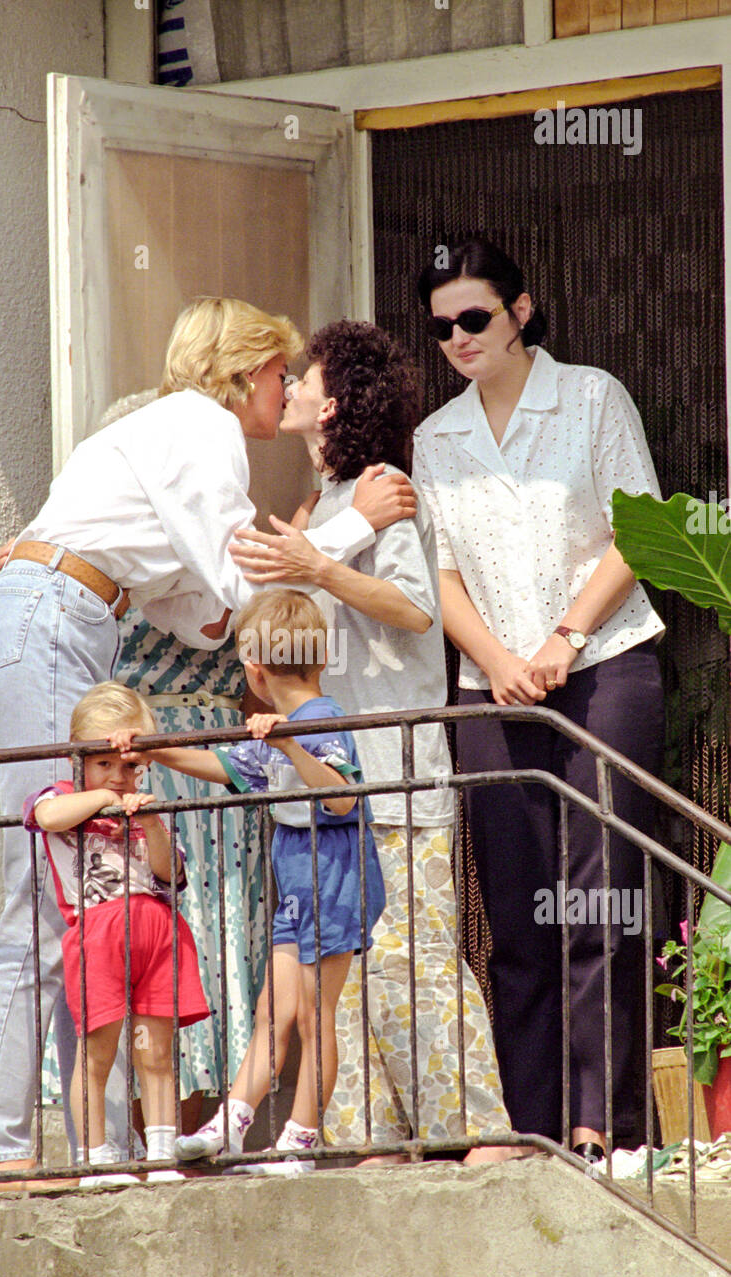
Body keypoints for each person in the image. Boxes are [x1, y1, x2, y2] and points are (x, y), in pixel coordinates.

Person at [0, 295, 416, 1183]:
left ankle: (103, 1150)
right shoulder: (203, 427)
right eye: (279, 373)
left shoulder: (175, 439)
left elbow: (200, 615)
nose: (284, 393)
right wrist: (356, 523)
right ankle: (2, 1152)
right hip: (52, 622)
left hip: (61, 620)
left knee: (75, 904)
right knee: (50, 896)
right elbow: (236, 582)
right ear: (246, 373)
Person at [230, 320, 512, 1164]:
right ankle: (371, 1140)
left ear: (336, 399)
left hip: (392, 769)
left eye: (304, 376)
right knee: (346, 979)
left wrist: (319, 568)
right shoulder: (323, 506)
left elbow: (417, 611)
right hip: (328, 780)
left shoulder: (384, 488)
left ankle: (486, 1134)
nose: (294, 387)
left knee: (416, 956)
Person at [411, 237, 665, 1159]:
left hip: (605, 669)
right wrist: (496, 659)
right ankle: (530, 1126)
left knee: (601, 904)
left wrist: (562, 639)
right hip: (494, 688)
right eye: (441, 329)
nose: (458, 339)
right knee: (516, 913)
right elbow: (437, 576)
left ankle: (609, 1123)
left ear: (521, 311)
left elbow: (639, 530)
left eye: (475, 318)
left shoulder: (592, 396)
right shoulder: (436, 438)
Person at [131, 590, 386, 1175]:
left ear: (254, 670)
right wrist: (155, 749)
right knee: (275, 1010)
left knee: (313, 1015)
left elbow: (343, 797)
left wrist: (288, 744)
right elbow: (223, 767)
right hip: (299, 877)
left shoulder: (320, 721)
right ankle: (231, 1125)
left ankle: (300, 1142)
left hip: (335, 877)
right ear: (318, 658)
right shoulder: (282, 726)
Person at [23, 682, 208, 1184]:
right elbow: (45, 816)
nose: (119, 776)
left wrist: (150, 825)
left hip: (157, 929)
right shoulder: (64, 797)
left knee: (156, 1050)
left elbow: (171, 875)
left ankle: (162, 1157)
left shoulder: (146, 806)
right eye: (103, 762)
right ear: (77, 759)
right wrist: (103, 796)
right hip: (101, 934)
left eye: (129, 766)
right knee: (98, 1052)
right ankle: (95, 1160)